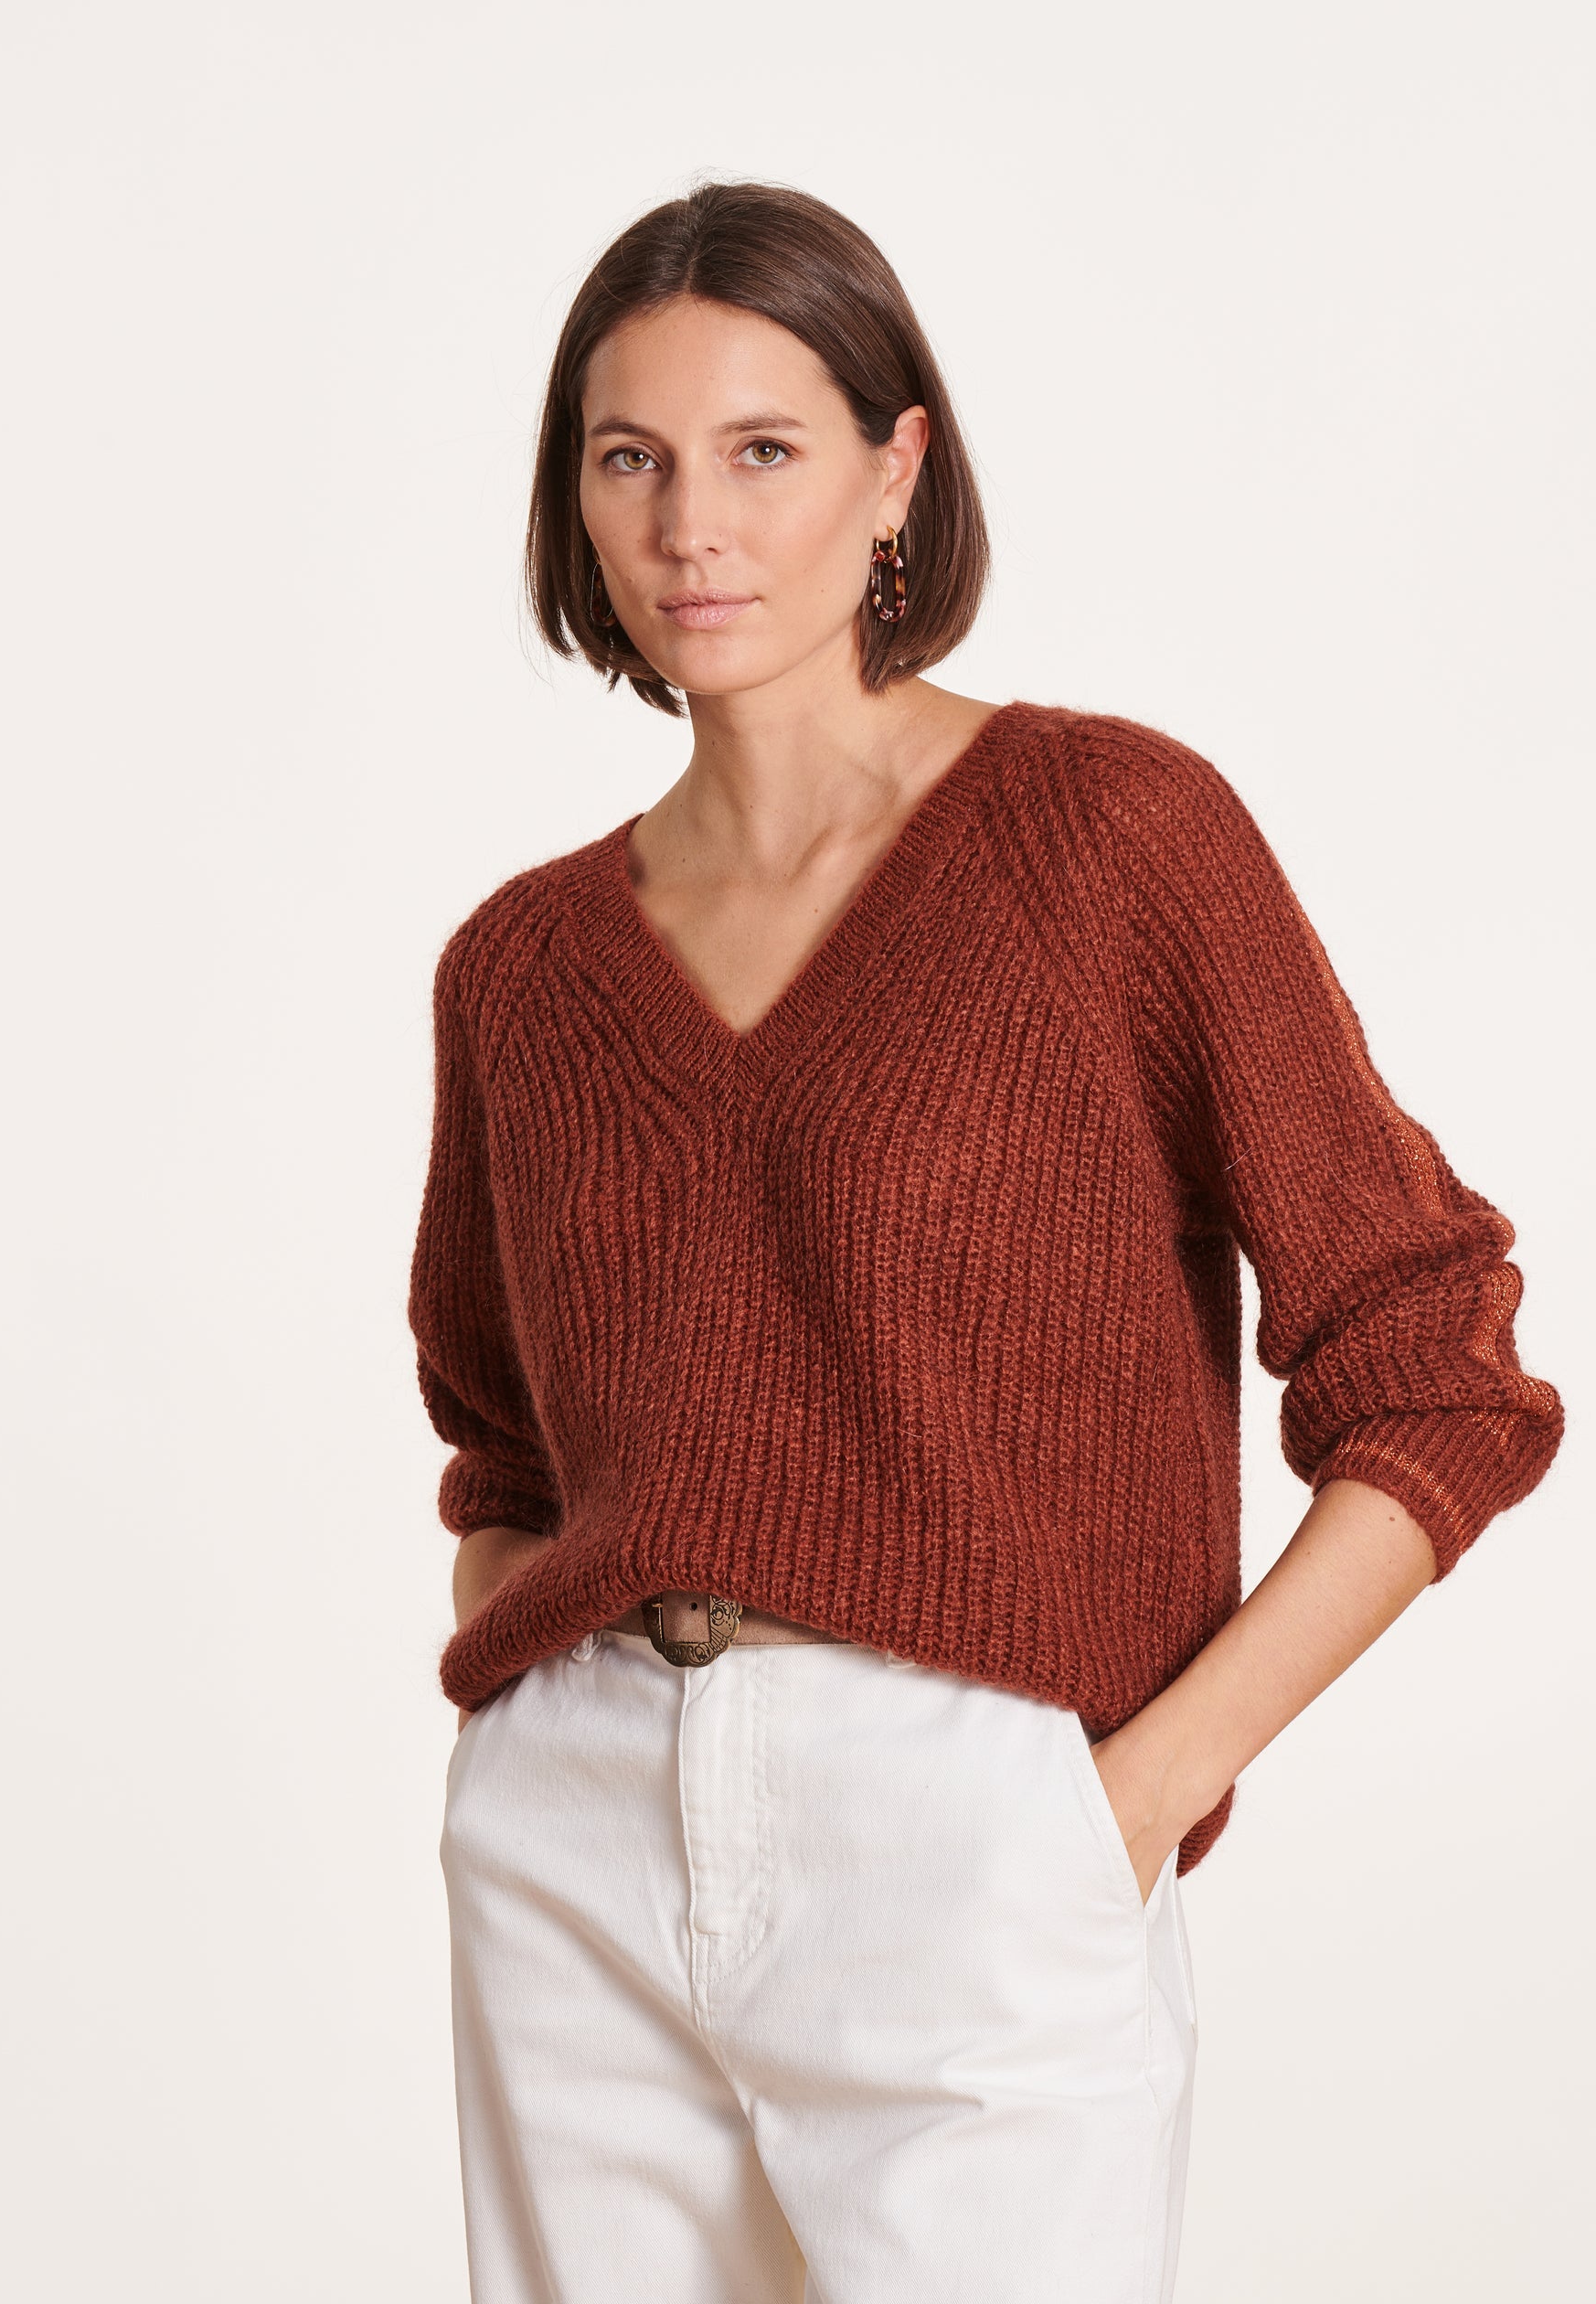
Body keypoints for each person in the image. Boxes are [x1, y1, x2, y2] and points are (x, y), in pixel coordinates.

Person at [408, 180, 1563, 2304]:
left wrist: (1129, 1798)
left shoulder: (1109, 841)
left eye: (763, 449)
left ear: (897, 472)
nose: (692, 527)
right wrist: (528, 1713)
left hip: (974, 1822)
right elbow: (504, 1454)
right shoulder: (524, 967)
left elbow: (1434, 1373)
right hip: (575, 1843)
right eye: (629, 458)